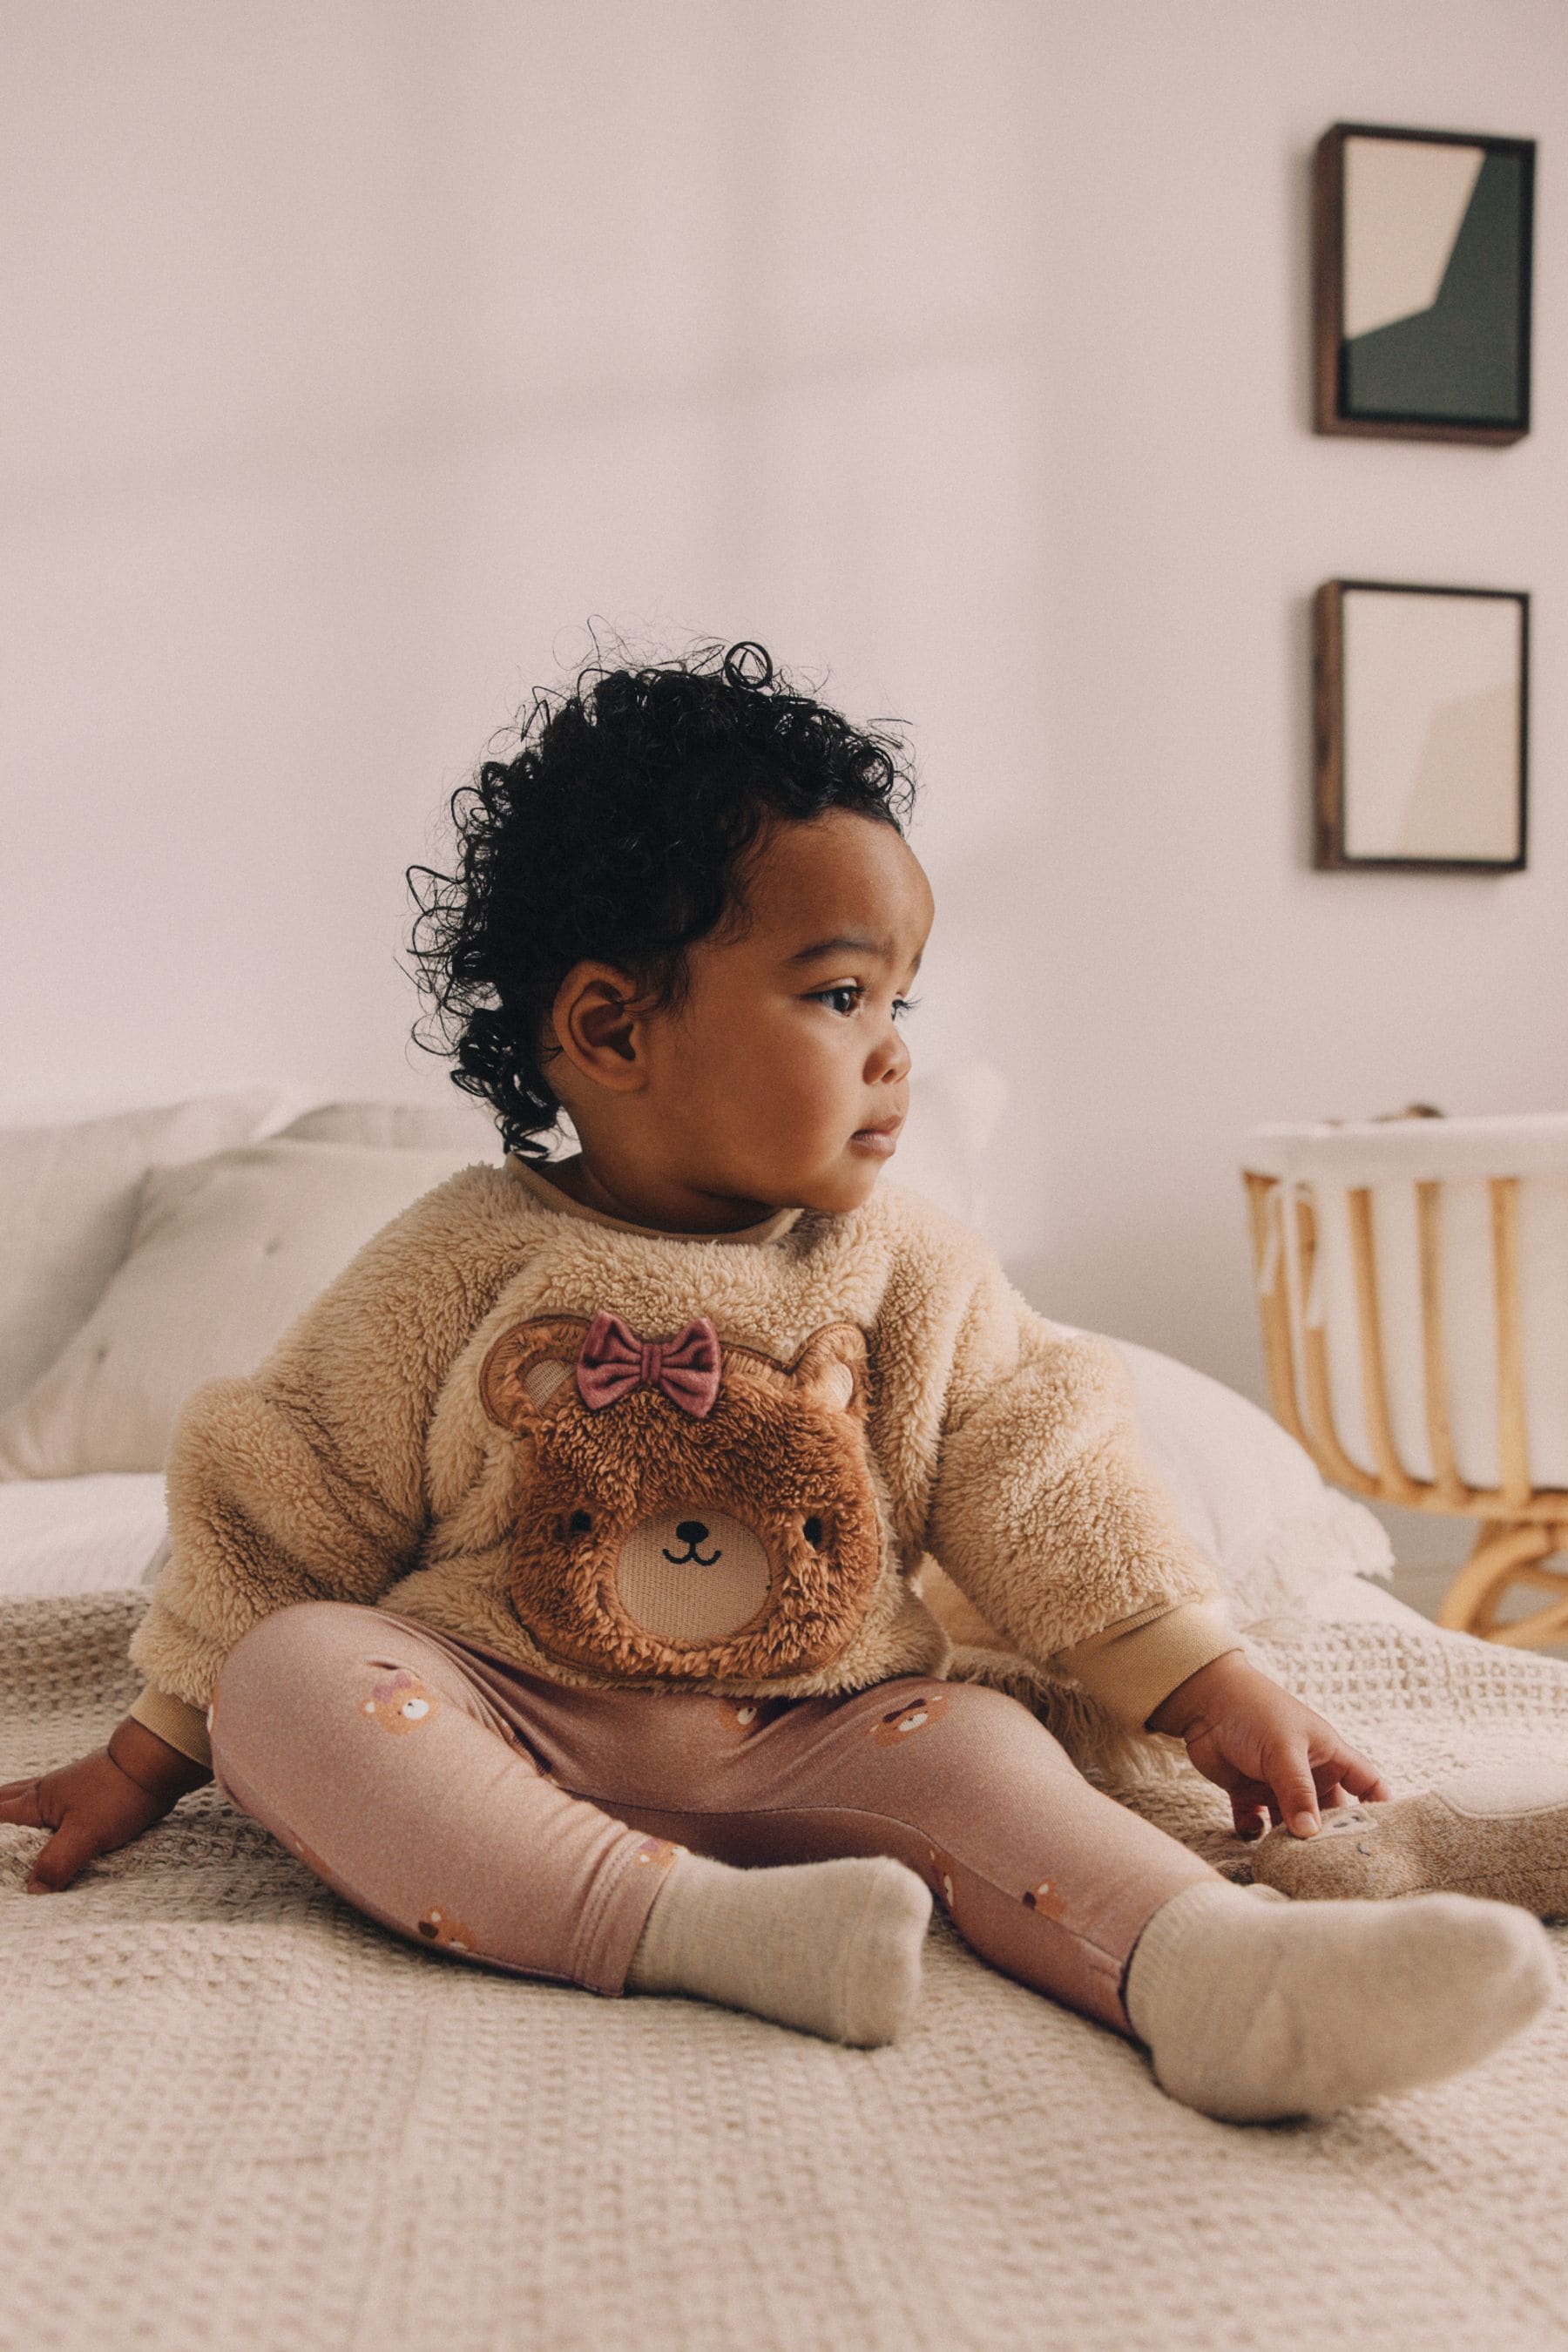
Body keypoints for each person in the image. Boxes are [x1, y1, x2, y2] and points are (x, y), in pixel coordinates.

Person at [1, 640, 1552, 2124]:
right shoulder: (455, 1259)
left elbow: (1045, 1473)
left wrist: (1204, 1683)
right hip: (509, 1716)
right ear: (610, 1025)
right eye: (836, 996)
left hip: (828, 1729)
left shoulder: (910, 1267)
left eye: (901, 1003)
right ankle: (703, 1934)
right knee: (290, 1676)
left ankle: (1211, 1973)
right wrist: (150, 1758)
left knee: (986, 1750)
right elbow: (291, 1494)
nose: (890, 1052)